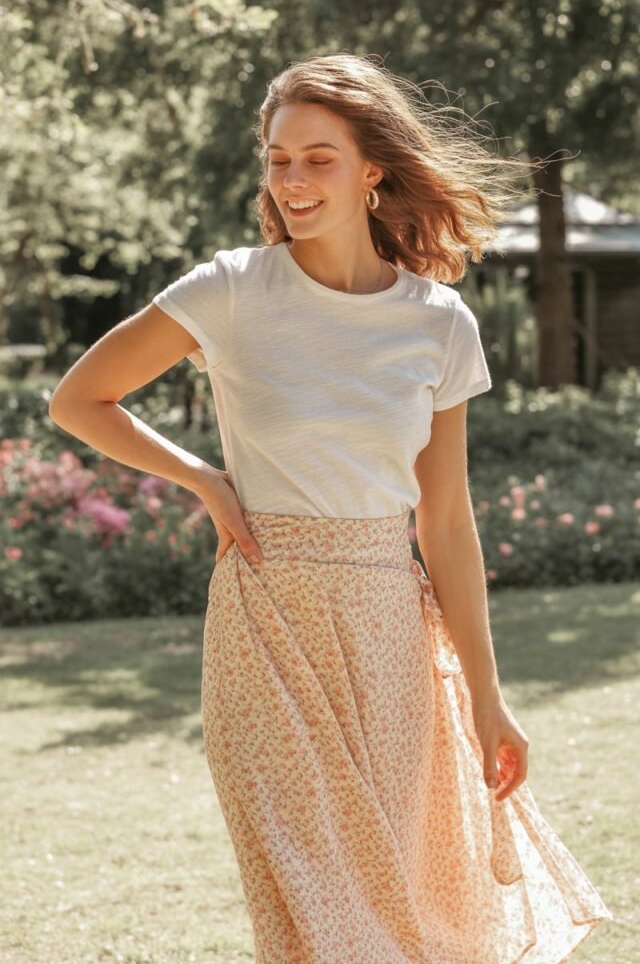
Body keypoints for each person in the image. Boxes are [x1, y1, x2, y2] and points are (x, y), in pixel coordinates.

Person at [49, 52, 612, 964]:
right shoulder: (229, 289)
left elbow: (448, 523)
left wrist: (487, 698)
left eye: (319, 157)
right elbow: (80, 399)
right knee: (315, 914)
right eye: (278, 159)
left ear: (372, 168)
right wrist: (203, 477)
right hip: (266, 621)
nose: (294, 179)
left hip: (390, 628)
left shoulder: (439, 323)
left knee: (400, 907)